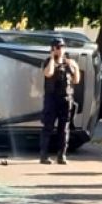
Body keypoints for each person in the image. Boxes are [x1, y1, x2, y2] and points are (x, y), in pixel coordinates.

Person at [39, 36, 81, 164]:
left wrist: (74, 68)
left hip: (66, 99)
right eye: (57, 47)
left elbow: (76, 80)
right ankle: (44, 156)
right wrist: (52, 58)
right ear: (52, 49)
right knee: (48, 127)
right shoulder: (48, 62)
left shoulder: (70, 63)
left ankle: (62, 155)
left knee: (64, 129)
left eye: (62, 47)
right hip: (52, 99)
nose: (60, 50)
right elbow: (48, 73)